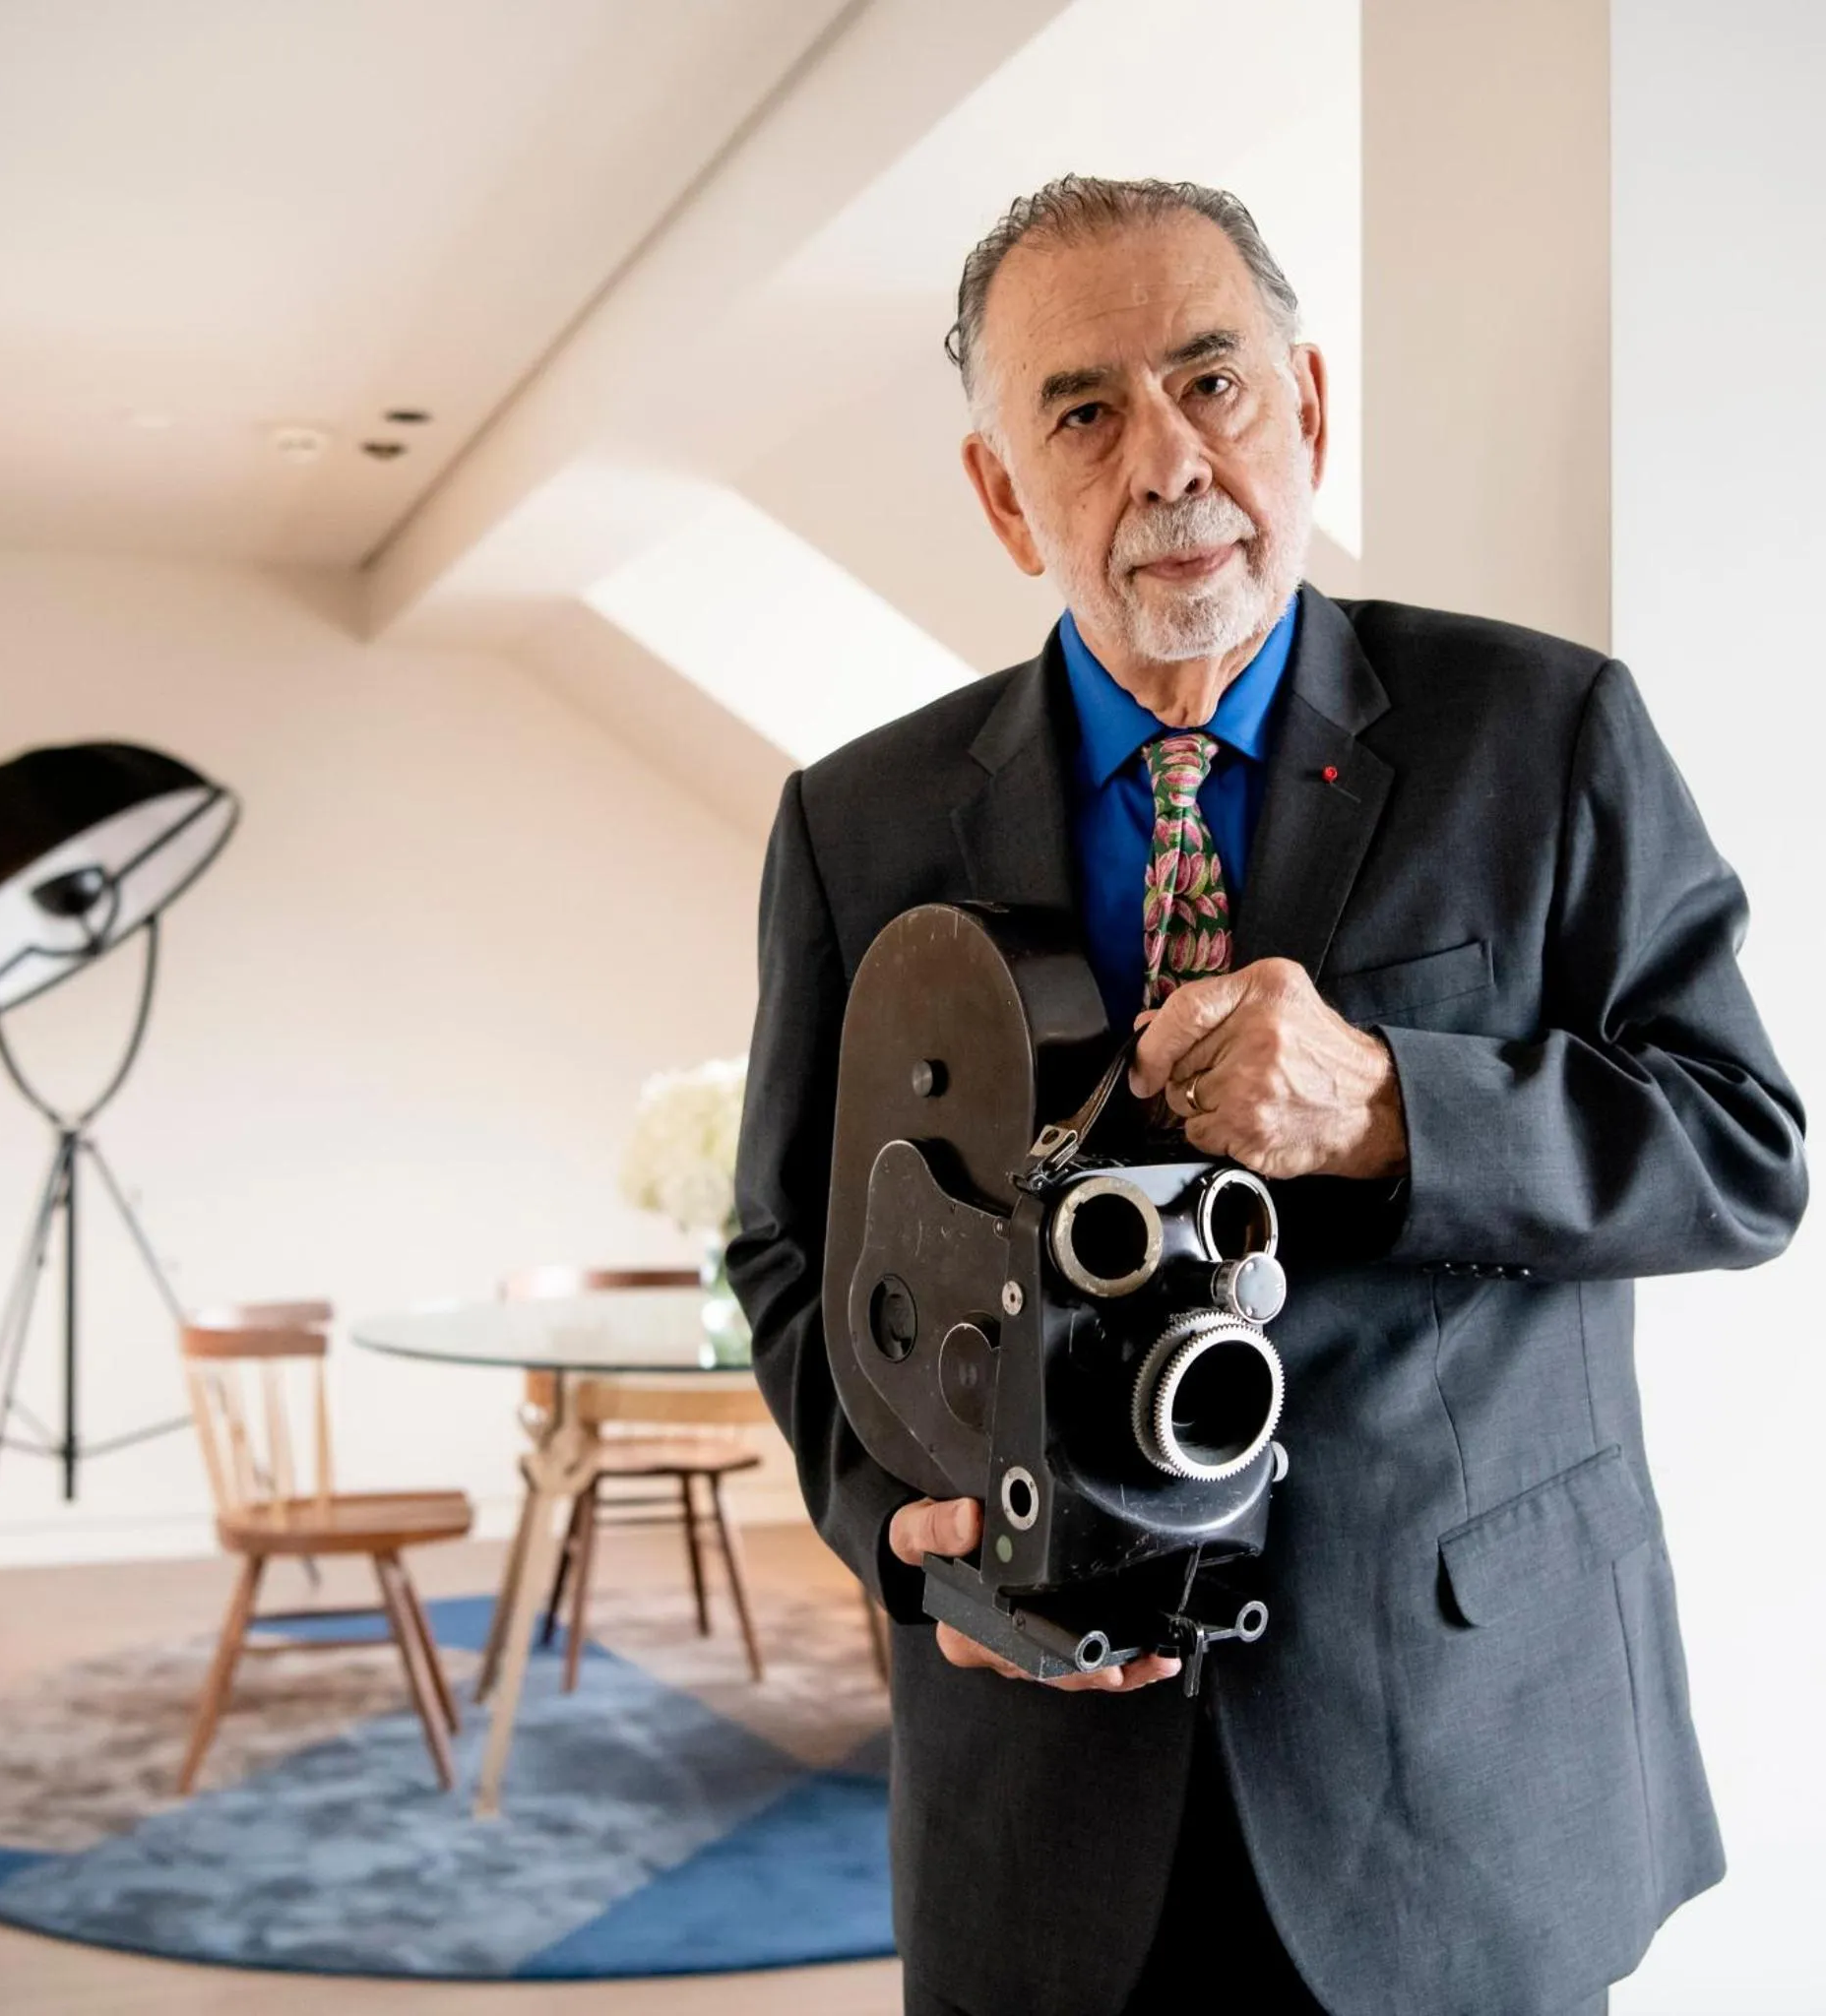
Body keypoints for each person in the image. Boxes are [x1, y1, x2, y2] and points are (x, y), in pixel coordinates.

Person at [725, 175, 1806, 2016]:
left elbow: (1740, 1154)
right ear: (1004, 493)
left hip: (1463, 1769)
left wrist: (1397, 1109)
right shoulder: (857, 823)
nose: (1168, 461)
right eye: (1081, 411)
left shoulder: (1544, 733)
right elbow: (784, 1249)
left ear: (1308, 404)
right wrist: (895, 1533)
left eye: (1211, 380)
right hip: (1039, 1798)